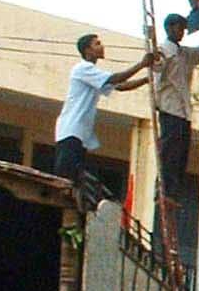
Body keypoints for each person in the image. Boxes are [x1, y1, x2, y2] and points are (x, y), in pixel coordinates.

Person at [51, 33, 154, 186]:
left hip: (78, 133)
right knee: (65, 180)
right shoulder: (83, 68)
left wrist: (146, 80)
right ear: (88, 50)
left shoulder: (93, 74)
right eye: (97, 44)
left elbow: (121, 86)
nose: (102, 46)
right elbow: (115, 79)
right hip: (71, 130)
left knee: (74, 180)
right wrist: (141, 65)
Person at [151, 13, 199, 202]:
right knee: (169, 151)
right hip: (170, 108)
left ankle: (174, 191)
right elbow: (156, 71)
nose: (182, 32)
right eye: (179, 28)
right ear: (169, 28)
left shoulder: (183, 53)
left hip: (183, 111)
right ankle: (163, 188)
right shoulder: (163, 51)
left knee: (181, 153)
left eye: (184, 29)